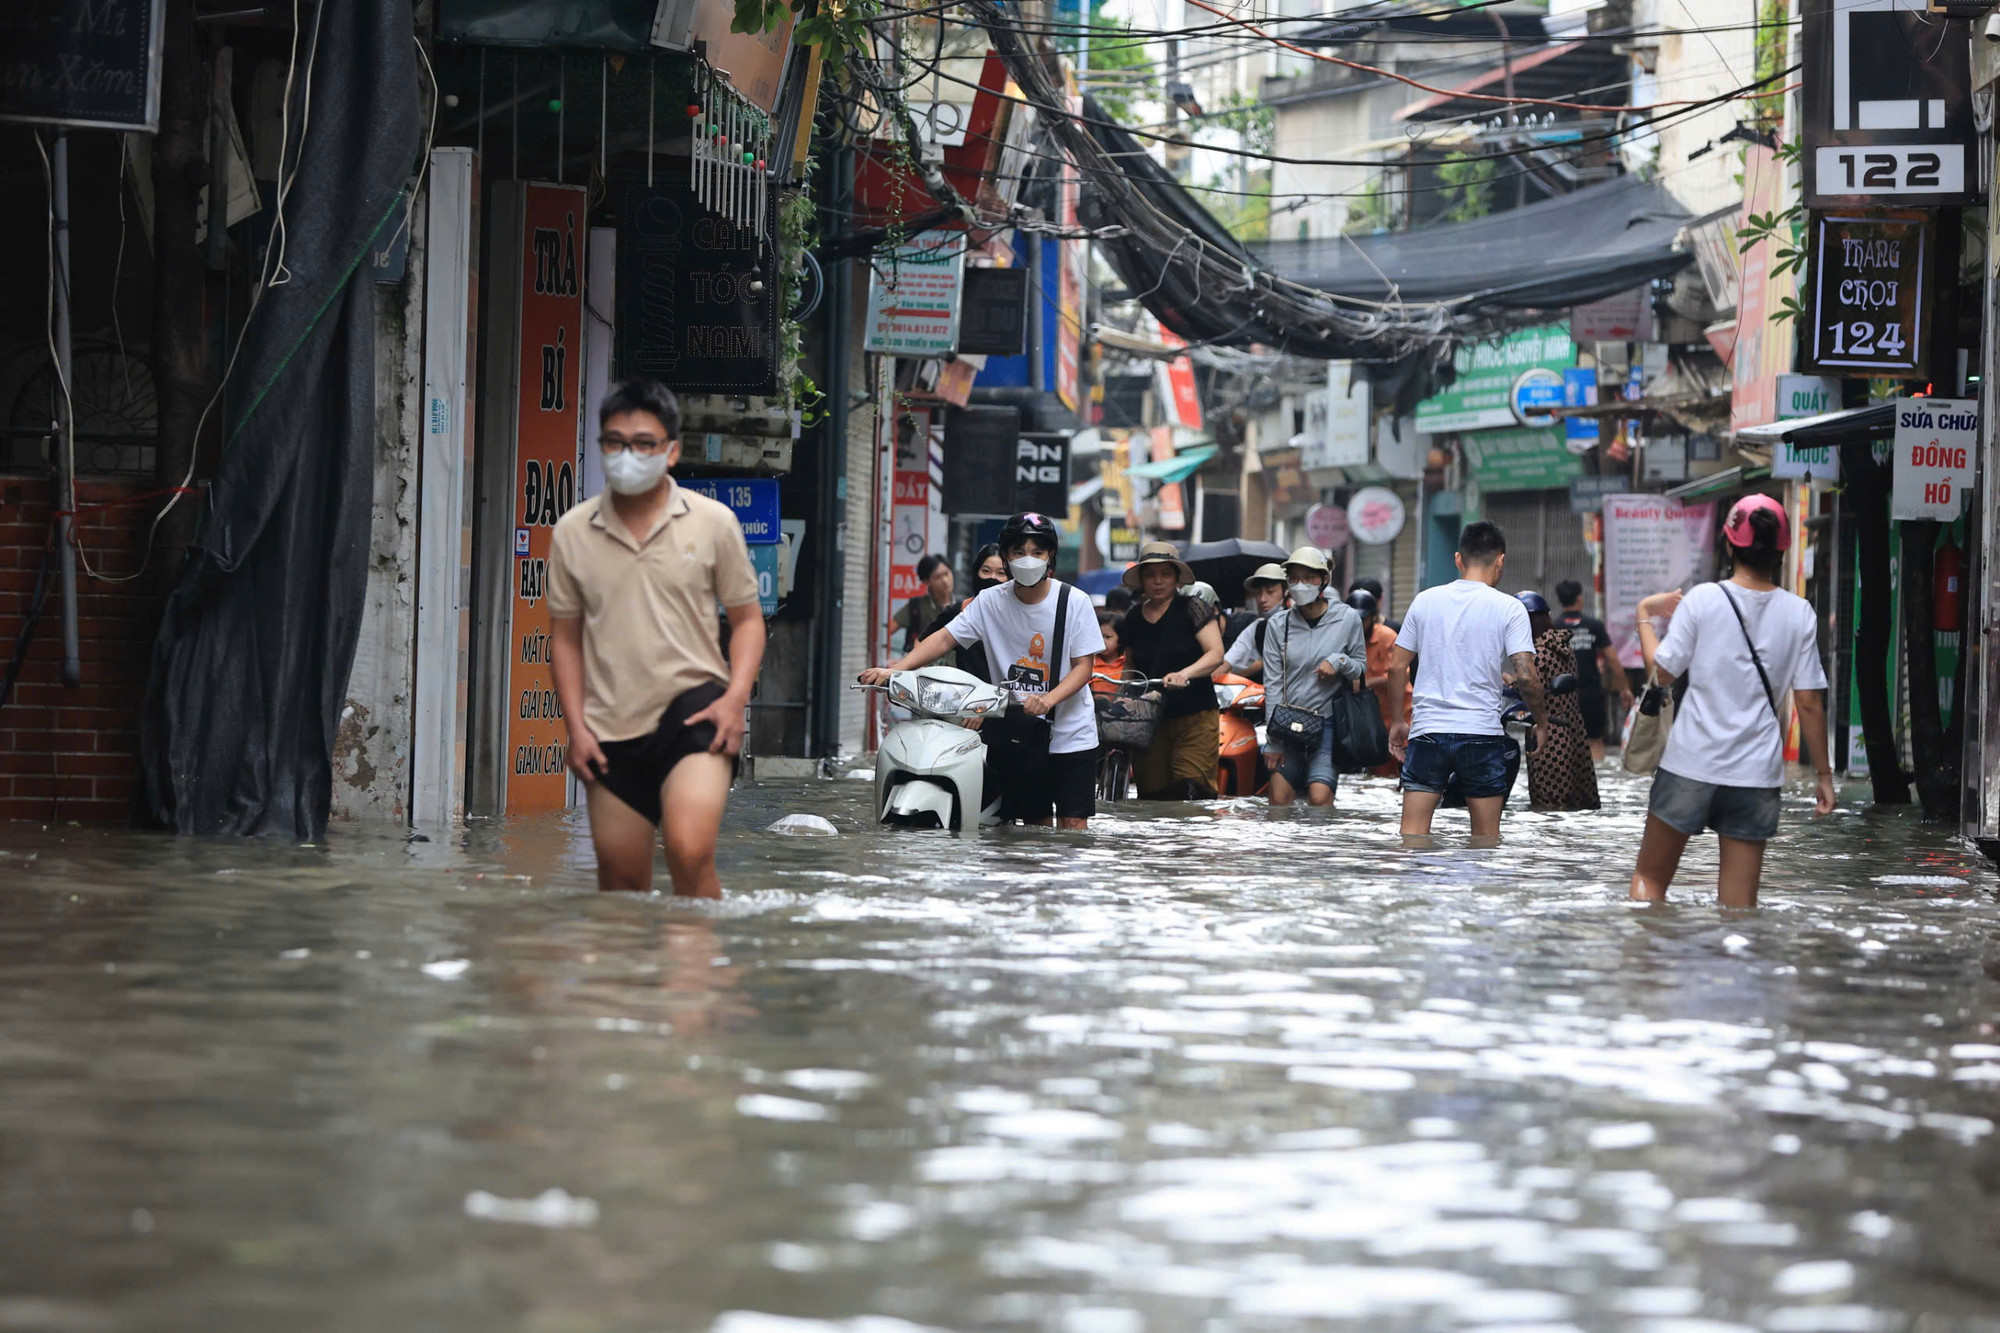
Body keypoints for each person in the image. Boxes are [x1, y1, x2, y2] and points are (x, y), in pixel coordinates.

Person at [548, 377, 767, 897]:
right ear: (601, 446)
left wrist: (735, 701)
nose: (628, 455)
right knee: (621, 886)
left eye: (643, 443)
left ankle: (696, 977)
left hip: (696, 710)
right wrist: (575, 728)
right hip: (610, 726)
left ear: (671, 451)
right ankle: (632, 979)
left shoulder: (713, 522)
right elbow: (564, 639)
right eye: (615, 442)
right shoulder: (573, 531)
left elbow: (748, 621)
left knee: (690, 852)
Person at [1630, 495, 1834, 908]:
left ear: (1728, 543)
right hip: (1755, 775)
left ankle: (1647, 969)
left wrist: (1644, 615)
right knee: (1739, 907)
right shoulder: (1800, 613)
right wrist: (1825, 775)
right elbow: (1809, 703)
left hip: (1690, 765)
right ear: (1782, 549)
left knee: (1649, 880)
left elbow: (1661, 673)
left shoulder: (1703, 600)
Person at [860, 513, 1102, 829]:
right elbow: (945, 637)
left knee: (1072, 827)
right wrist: (896, 670)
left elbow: (1084, 668)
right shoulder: (989, 601)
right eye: (1019, 551)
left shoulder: (1074, 602)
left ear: (1050, 556)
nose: (1028, 559)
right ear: (1007, 556)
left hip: (1072, 734)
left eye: (1037, 552)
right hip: (1020, 733)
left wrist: (1049, 699)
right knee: (1034, 828)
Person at [1385, 521, 1545, 841]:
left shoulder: (1425, 601)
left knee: (1412, 837)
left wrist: (1398, 721)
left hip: (1428, 731)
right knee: (1486, 840)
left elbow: (1396, 667)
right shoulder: (1510, 608)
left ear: (1458, 559)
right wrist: (1541, 722)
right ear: (1500, 560)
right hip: (1481, 735)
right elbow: (1526, 675)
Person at [1118, 541, 1226, 800]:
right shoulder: (1133, 617)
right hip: (1149, 717)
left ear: (1177, 578)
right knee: (1152, 795)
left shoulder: (1192, 607)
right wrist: (1122, 695)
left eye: (1165, 574)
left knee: (1191, 789)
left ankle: (1189, 842)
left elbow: (1216, 654)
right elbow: (1130, 663)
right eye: (1150, 575)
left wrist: (1184, 674)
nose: (1158, 581)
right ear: (1141, 580)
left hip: (1195, 715)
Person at [1260, 547, 1366, 808]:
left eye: (1308, 578)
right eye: (1294, 578)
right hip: (1286, 723)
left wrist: (1339, 661)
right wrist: (1272, 742)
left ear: (1324, 580)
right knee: (1278, 800)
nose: (1300, 584)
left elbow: (1361, 668)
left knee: (1319, 798)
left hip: (1327, 723)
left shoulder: (1347, 619)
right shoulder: (1277, 625)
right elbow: (1272, 684)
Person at [1518, 591, 1600, 812]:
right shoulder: (1562, 647)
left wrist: (1514, 684)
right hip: (1573, 731)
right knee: (1575, 802)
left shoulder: (1536, 654)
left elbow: (1533, 687)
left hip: (1547, 734)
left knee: (1548, 807)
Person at [1554, 578, 1629, 760]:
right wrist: (1624, 689)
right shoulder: (1593, 625)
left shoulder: (1553, 627)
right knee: (1595, 740)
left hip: (1561, 695)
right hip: (1591, 693)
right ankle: (1598, 785)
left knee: (1564, 742)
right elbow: (1612, 658)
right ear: (1580, 598)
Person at [922, 544, 1006, 680]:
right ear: (976, 572)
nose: (992, 578)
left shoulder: (1018, 614)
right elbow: (926, 642)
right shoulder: (961, 610)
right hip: (965, 697)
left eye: (1001, 573)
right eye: (986, 571)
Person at [1348, 586, 1407, 779]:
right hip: (1367, 720)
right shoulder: (1346, 639)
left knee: (1396, 772)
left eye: (1362, 619)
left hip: (1397, 715)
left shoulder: (1387, 637)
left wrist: (1364, 683)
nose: (1358, 624)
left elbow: (1399, 675)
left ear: (1373, 617)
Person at [1223, 563, 1289, 682]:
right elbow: (1228, 661)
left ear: (1286, 592)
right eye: (1258, 593)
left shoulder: (1300, 622)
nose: (1262, 599)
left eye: (1270, 591)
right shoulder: (1257, 628)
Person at [895, 554, 955, 653]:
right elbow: (887, 630)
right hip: (923, 666)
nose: (945, 581)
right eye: (937, 577)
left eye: (946, 574)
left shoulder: (963, 606)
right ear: (927, 582)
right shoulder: (917, 607)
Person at [1091, 609, 1130, 696]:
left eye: (1108, 637)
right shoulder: (1089, 662)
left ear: (1120, 639)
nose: (1102, 641)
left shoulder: (1126, 664)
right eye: (1098, 636)